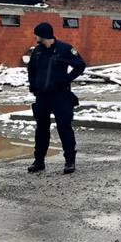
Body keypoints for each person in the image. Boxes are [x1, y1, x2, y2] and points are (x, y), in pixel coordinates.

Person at [26, 22, 86, 174]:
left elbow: (80, 65)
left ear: (43, 35)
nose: (36, 37)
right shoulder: (38, 52)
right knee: (41, 130)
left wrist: (66, 79)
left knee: (64, 128)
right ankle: (39, 161)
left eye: (37, 35)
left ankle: (70, 161)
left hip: (61, 95)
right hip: (42, 97)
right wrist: (33, 86)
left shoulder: (64, 49)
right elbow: (31, 69)